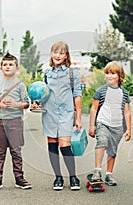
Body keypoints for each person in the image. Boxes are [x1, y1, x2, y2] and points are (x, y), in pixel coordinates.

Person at [38, 41, 82, 190]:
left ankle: (73, 177)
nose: (58, 55)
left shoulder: (72, 72)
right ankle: (58, 178)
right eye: (55, 52)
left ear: (66, 55)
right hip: (49, 113)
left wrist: (78, 118)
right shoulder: (47, 73)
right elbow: (44, 94)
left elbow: (77, 95)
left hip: (66, 113)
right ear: (51, 54)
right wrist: (38, 103)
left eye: (61, 53)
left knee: (65, 146)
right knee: (52, 146)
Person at [0, 53, 31, 191]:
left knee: (16, 151)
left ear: (16, 68)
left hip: (15, 121)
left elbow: (26, 103)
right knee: (0, 152)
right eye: (5, 64)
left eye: (11, 64)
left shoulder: (20, 85)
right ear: (1, 68)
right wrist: (0, 106)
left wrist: (14, 104)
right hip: (0, 121)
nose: (8, 66)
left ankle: (19, 179)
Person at [88, 61, 131, 186]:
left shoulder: (124, 93)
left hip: (117, 126)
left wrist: (128, 129)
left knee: (112, 151)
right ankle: (97, 171)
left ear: (120, 76)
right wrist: (92, 126)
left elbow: (127, 112)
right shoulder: (101, 91)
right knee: (101, 142)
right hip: (102, 122)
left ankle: (109, 174)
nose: (109, 76)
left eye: (113, 73)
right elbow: (94, 109)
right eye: (107, 73)